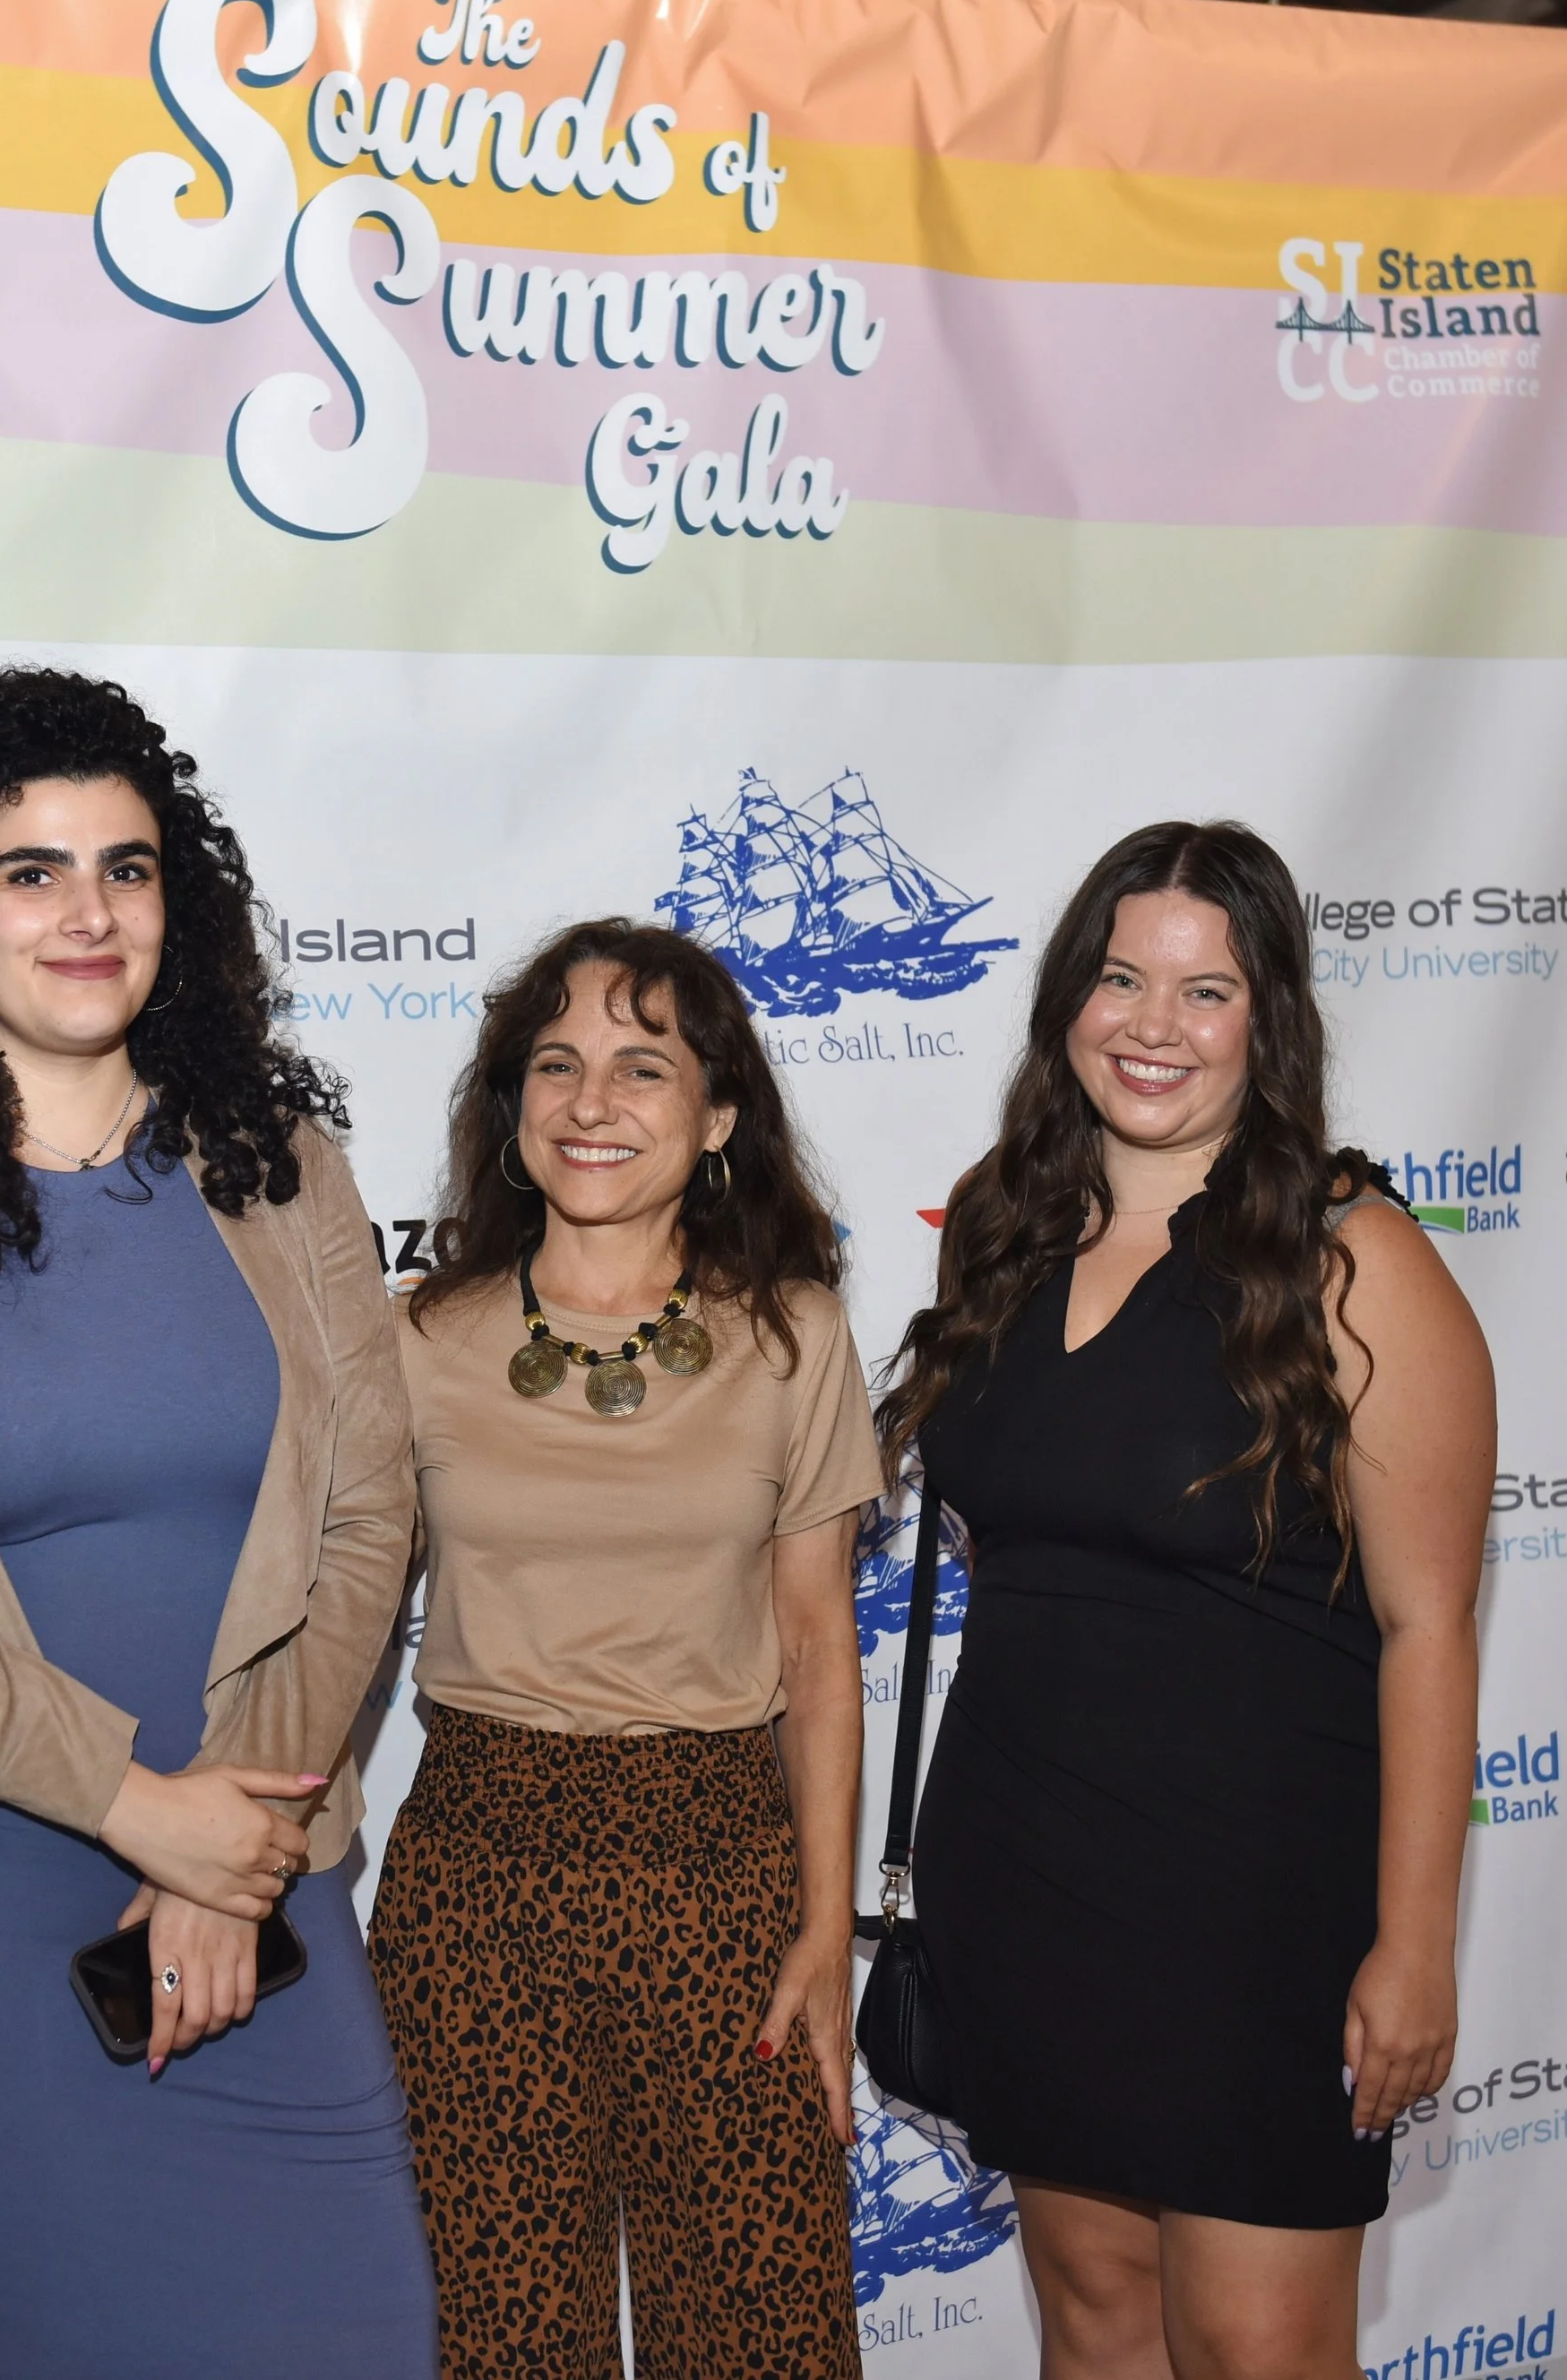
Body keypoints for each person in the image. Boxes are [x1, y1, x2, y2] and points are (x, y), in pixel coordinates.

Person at [0, 669, 437, 2378]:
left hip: (260, 1866)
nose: (90, 912)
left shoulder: (278, 1162)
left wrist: (232, 1849)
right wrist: (139, 1810)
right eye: (29, 871)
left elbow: (368, 1518)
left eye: (128, 865)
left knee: (360, 2332)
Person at [882, 821, 1493, 2380]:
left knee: (1254, 2351)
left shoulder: (1352, 1261)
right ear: (1066, 1002)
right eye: (1120, 979)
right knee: (1095, 2321)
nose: (1153, 1024)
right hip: (1022, 1877)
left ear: (1266, 1019)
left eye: (1205, 990)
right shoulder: (1001, 1223)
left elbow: (1429, 1626)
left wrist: (1415, 1943)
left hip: (1253, 1916)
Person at [368, 919, 879, 2380]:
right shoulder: (417, 1339)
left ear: (717, 1116)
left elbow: (817, 1648)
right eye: (557, 1064)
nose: (592, 1102)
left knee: (762, 2336)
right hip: (477, 1877)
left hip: (725, 1875)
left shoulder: (795, 1338)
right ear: (513, 1108)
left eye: (643, 1067)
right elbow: (336, 1619)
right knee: (501, 2340)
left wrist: (823, 1929)